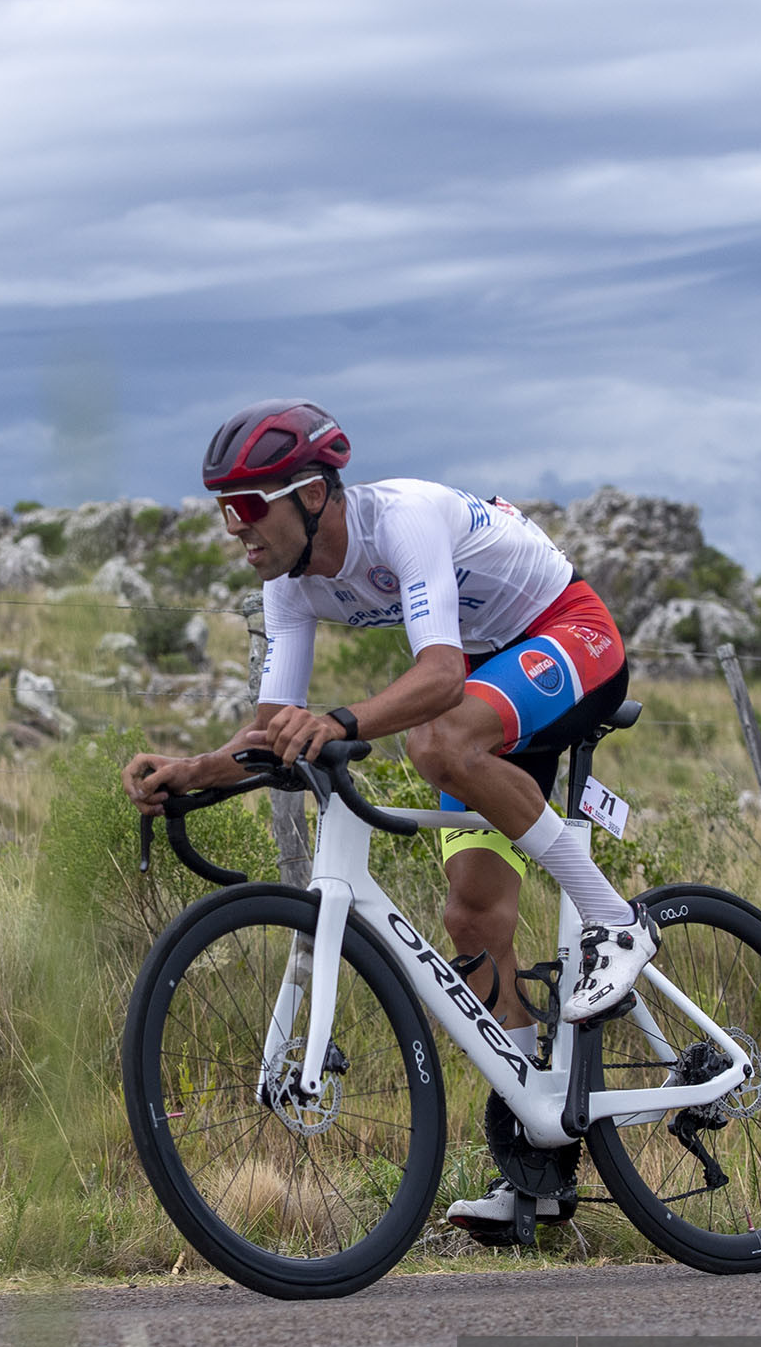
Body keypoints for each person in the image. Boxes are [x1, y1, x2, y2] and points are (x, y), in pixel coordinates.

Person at [122, 398, 659, 1240]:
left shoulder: (400, 521)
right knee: (473, 916)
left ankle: (612, 920)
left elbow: (440, 673)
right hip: (491, 673)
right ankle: (539, 1161)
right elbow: (271, 734)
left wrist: (339, 722)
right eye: (225, 513)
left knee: (439, 741)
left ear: (309, 494)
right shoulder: (288, 586)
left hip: (567, 633)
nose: (236, 532)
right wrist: (190, 773)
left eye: (247, 509)